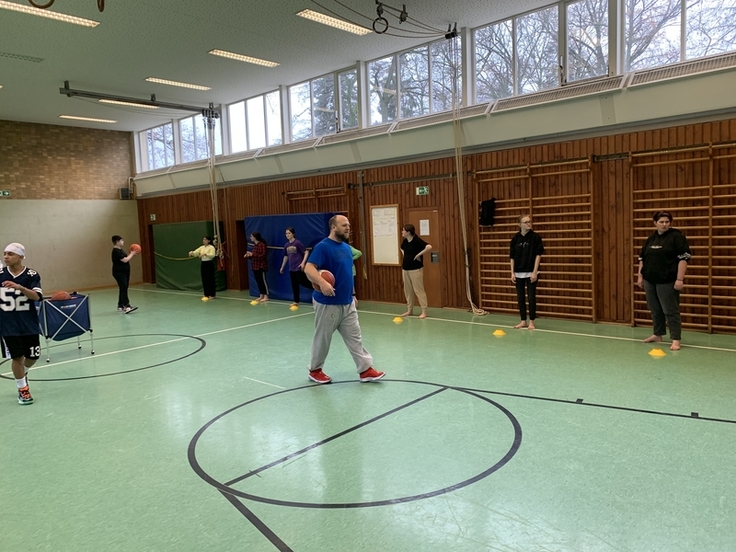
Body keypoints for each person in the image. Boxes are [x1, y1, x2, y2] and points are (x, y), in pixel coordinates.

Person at [304, 215, 384, 384]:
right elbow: (308, 268)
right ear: (333, 227)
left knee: (355, 338)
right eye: (344, 225)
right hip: (327, 304)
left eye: (349, 225)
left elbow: (349, 274)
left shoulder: (347, 248)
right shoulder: (322, 247)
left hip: (347, 303)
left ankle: (365, 370)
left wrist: (353, 294)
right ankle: (315, 370)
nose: (348, 227)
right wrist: (322, 282)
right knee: (323, 338)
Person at [637, 210, 691, 351]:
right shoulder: (651, 239)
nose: (664, 224)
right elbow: (642, 259)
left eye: (667, 222)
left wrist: (680, 279)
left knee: (670, 310)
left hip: (667, 280)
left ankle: (676, 339)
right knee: (655, 309)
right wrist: (640, 276)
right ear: (655, 223)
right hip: (650, 280)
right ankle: (658, 334)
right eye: (661, 222)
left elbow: (683, 259)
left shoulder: (676, 237)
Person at [0, 243, 43, 405]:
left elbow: (36, 297)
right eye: (4, 254)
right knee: (17, 356)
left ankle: (22, 374)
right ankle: (23, 389)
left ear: (21, 256)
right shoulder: (0, 274)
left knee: (33, 355)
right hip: (7, 324)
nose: (6, 257)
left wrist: (20, 288)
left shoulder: (31, 275)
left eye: (10, 254)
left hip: (28, 322)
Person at [510, 214, 544, 330]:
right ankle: (523, 320)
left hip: (531, 272)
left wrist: (535, 272)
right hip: (519, 272)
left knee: (531, 297)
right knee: (520, 298)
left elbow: (538, 255)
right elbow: (512, 257)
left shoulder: (535, 237)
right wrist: (512, 272)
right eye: (526, 222)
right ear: (519, 224)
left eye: (529, 221)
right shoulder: (515, 238)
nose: (528, 224)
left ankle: (532, 322)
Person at [399, 223, 432, 319]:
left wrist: (418, 255)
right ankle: (410, 310)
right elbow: (402, 248)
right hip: (405, 269)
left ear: (408, 232)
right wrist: (405, 255)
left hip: (415, 269)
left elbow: (429, 246)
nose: (402, 232)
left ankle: (424, 311)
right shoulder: (405, 241)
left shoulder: (417, 240)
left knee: (418, 290)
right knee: (408, 290)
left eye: (404, 230)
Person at [279, 227, 311, 307]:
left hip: (298, 267)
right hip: (291, 268)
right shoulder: (286, 245)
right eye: (286, 233)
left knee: (303, 282)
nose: (287, 235)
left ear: (293, 234)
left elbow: (306, 252)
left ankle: (317, 288)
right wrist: (282, 267)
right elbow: (286, 256)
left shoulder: (297, 243)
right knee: (294, 285)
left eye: (289, 233)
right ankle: (296, 301)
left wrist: (303, 263)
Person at [111, 235, 138, 314]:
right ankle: (127, 306)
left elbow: (126, 257)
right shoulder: (115, 251)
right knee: (124, 288)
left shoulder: (120, 250)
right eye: (121, 240)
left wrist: (131, 253)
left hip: (124, 272)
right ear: (117, 242)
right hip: (119, 273)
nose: (123, 242)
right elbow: (125, 260)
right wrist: (132, 254)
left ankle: (120, 305)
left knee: (123, 288)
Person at [189, 236, 217, 300]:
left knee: (210, 279)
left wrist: (205, 254)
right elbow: (196, 252)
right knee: (204, 278)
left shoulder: (211, 247)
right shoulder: (202, 247)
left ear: (209, 241)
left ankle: (212, 294)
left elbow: (212, 255)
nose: (204, 241)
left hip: (209, 264)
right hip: (203, 264)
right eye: (203, 239)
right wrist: (192, 253)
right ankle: (206, 294)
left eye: (205, 240)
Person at [244, 232, 269, 302]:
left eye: (251, 236)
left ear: (255, 237)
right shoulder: (255, 245)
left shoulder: (262, 245)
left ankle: (266, 295)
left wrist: (253, 254)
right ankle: (261, 295)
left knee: (263, 281)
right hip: (255, 266)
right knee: (258, 281)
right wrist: (249, 256)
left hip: (261, 266)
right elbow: (254, 256)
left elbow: (263, 255)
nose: (250, 237)